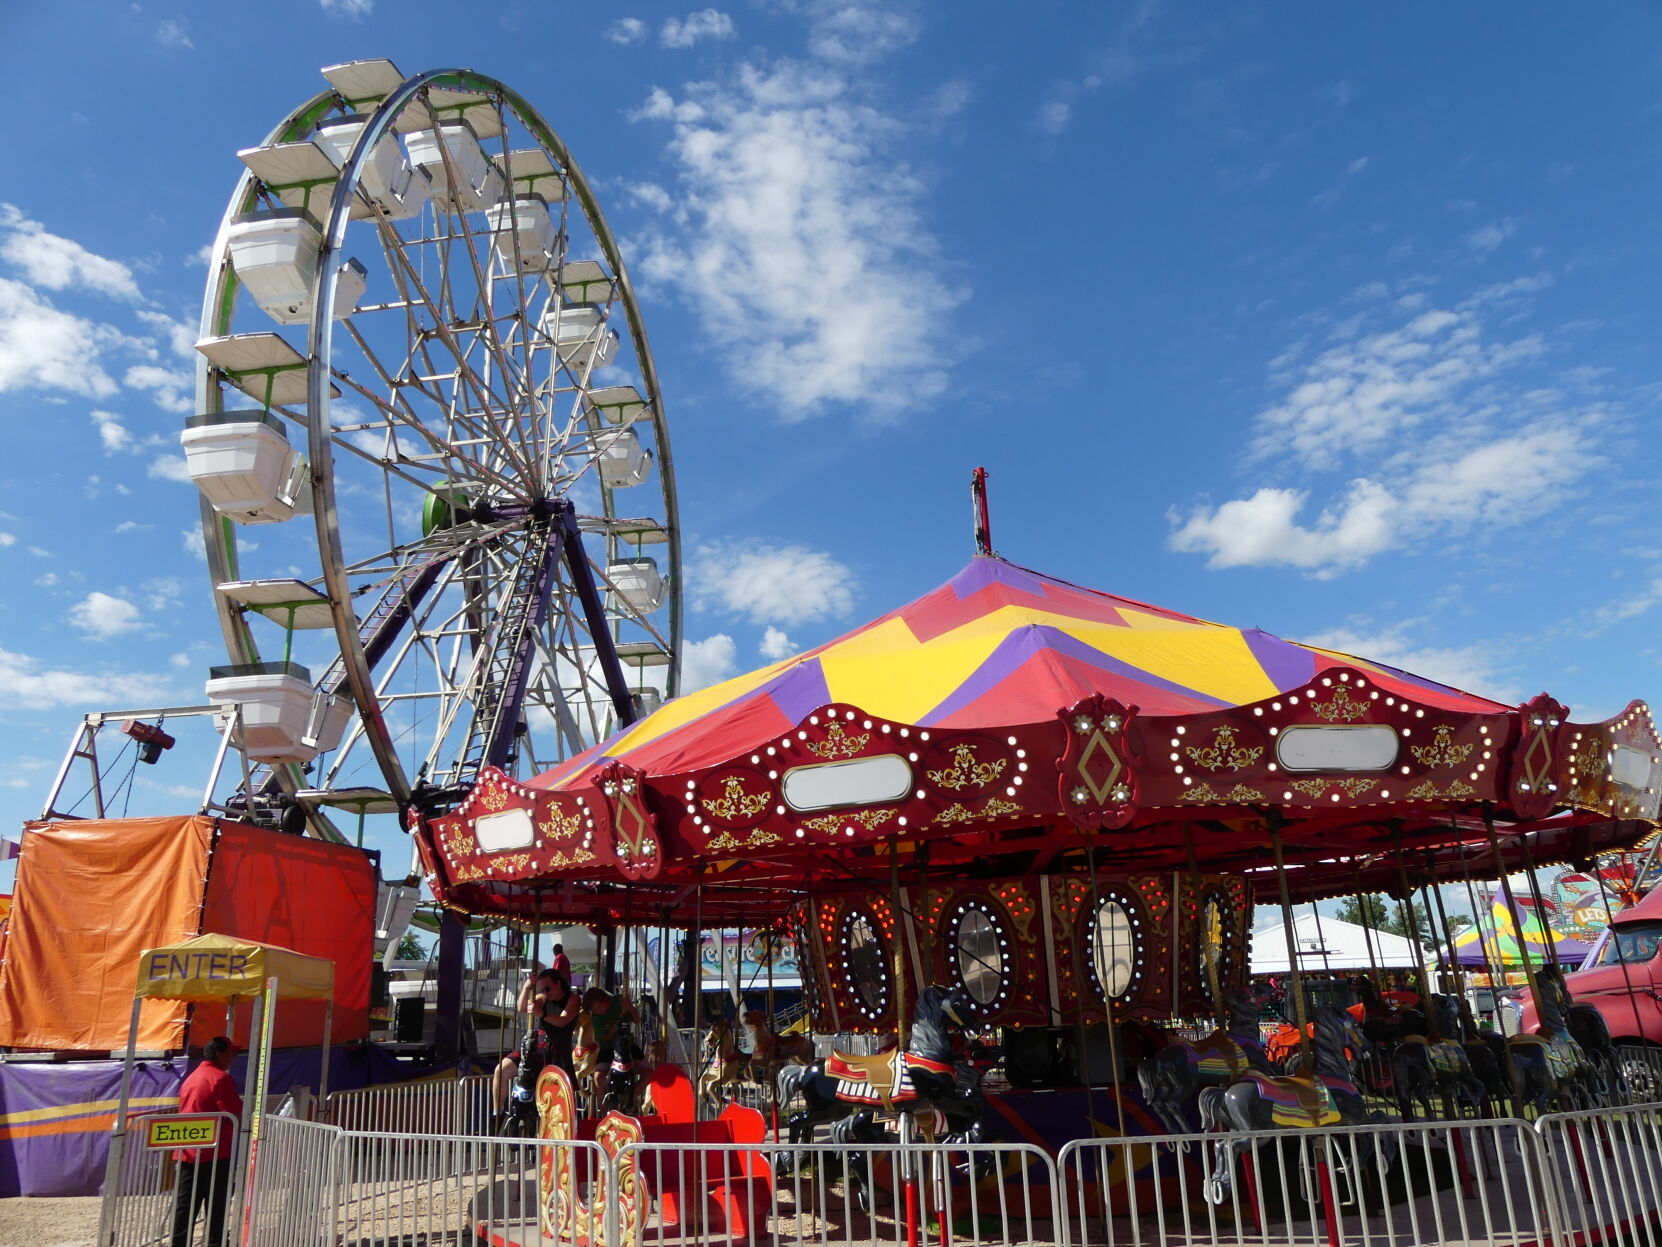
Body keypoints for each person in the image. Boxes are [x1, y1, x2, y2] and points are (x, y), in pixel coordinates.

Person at [171, 1036, 243, 1247]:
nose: (233, 1058)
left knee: (185, 1204)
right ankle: (215, 1243)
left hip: (187, 1151)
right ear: (220, 1054)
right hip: (215, 1152)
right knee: (217, 1204)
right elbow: (234, 1112)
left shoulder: (192, 1077)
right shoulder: (220, 1078)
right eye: (231, 1054)